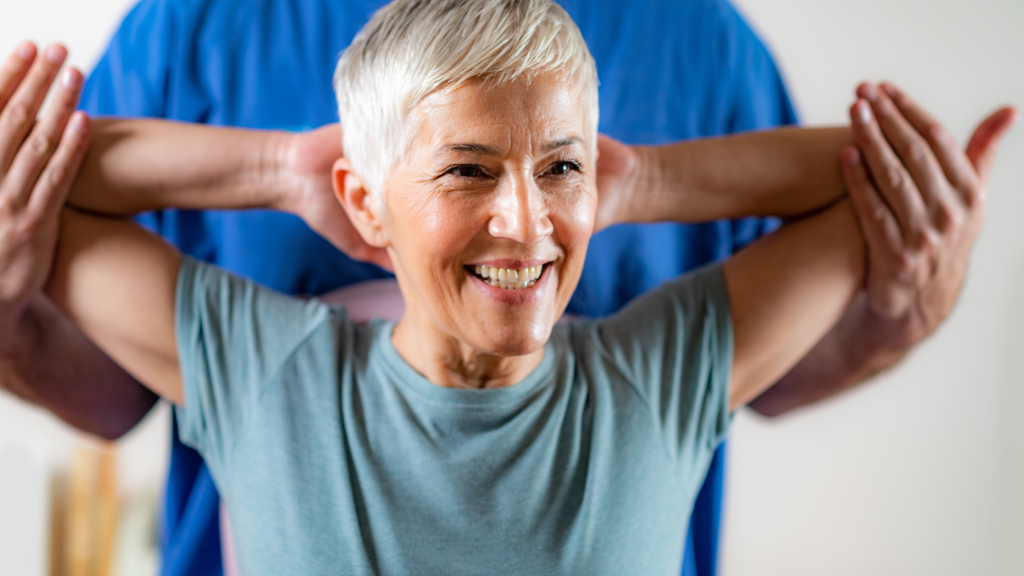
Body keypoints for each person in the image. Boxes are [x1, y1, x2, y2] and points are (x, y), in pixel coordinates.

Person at [1, 0, 1016, 573]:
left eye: (557, 169)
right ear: (366, 200)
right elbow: (95, 349)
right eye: (467, 169)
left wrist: (641, 182)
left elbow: (806, 314)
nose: (524, 222)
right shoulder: (198, 34)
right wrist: (282, 170)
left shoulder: (702, 50)